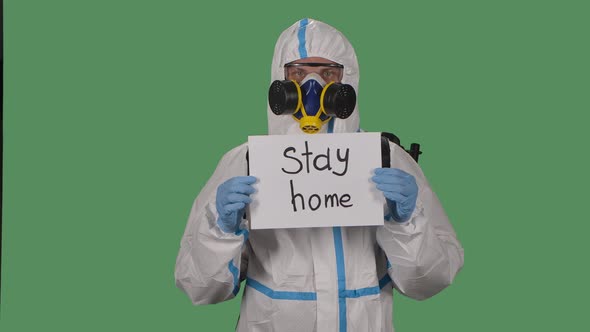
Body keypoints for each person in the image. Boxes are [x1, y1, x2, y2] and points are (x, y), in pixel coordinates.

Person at [175, 18, 464, 332]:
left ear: (347, 81)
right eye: (298, 73)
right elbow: (200, 288)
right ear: (280, 81)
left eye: (328, 74)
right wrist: (220, 229)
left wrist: (407, 222)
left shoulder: (386, 159)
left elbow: (430, 282)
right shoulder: (246, 162)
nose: (312, 87)